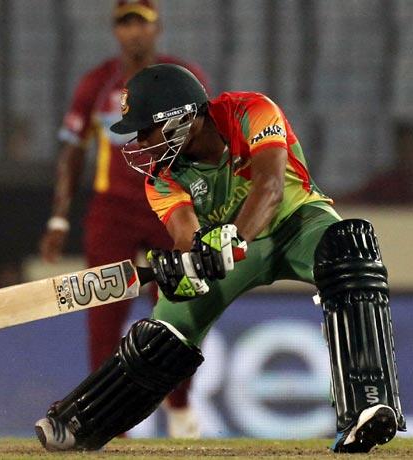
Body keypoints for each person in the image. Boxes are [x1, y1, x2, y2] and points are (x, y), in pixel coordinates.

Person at [35, 64, 406, 453]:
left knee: (350, 246)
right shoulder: (160, 178)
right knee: (162, 335)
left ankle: (367, 404)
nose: (141, 142)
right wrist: (183, 267)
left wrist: (234, 238)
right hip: (224, 254)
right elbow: (185, 235)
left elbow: (271, 187)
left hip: (297, 224)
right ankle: (81, 421)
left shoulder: (251, 111)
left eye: (146, 130)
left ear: (184, 117)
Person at [39, 0, 209, 438]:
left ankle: (180, 409)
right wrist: (59, 220)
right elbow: (72, 154)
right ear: (115, 31)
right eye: (125, 23)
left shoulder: (181, 78)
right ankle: (107, 418)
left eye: (142, 23)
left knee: (178, 308)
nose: (133, 33)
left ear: (157, 28)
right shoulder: (97, 83)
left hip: (169, 206)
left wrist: (207, 209)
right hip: (112, 210)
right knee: (103, 315)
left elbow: (206, 144)